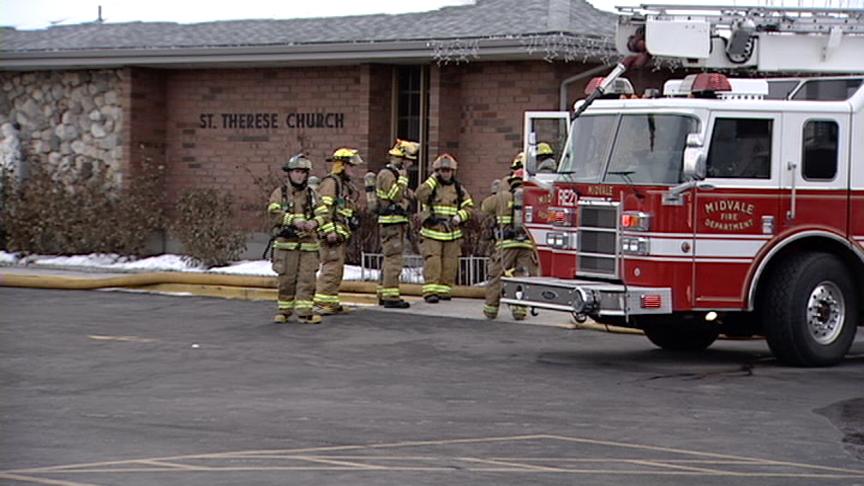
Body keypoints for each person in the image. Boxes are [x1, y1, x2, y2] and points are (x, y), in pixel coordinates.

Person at [267, 154, 322, 324]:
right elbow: (273, 213)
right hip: (286, 246)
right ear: (289, 173)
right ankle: (284, 311)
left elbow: (324, 213)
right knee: (286, 280)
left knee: (307, 280)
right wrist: (293, 221)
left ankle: (305, 313)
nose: (300, 175)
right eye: (296, 172)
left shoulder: (313, 195)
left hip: (308, 246)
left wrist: (314, 222)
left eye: (303, 172)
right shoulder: (280, 194)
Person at [480, 167, 539, 320]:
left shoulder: (502, 196)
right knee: (521, 276)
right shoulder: (533, 196)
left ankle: (491, 310)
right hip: (526, 245)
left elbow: (485, 207)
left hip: (505, 245)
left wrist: (497, 191)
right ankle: (519, 311)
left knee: (496, 276)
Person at [415, 153, 474, 303]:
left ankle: (444, 291)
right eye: (442, 170)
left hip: (451, 233)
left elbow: (469, 208)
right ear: (437, 171)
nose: (445, 173)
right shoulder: (431, 186)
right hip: (432, 231)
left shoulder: (459, 189)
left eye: (448, 170)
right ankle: (430, 292)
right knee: (433, 262)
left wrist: (459, 217)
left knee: (450, 263)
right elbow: (419, 195)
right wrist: (432, 180)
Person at [313, 147, 363, 315]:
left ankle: (331, 301)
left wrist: (351, 220)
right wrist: (329, 231)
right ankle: (321, 303)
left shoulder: (343, 185)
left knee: (336, 268)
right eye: (350, 166)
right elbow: (323, 209)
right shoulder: (331, 183)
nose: (353, 170)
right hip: (331, 235)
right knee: (331, 268)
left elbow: (343, 210)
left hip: (340, 234)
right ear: (341, 165)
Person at [375, 139, 419, 308]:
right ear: (401, 159)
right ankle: (391, 297)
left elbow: (406, 195)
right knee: (394, 260)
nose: (409, 164)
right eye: (407, 161)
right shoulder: (388, 175)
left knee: (389, 259)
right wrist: (402, 180)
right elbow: (395, 195)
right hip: (391, 223)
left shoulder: (392, 175)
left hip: (395, 223)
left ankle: (384, 292)